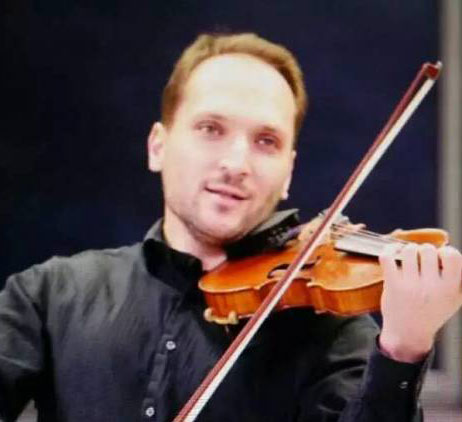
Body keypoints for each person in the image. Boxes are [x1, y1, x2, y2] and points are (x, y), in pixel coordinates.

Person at [1, 33, 461, 422]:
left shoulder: (333, 332)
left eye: (266, 141)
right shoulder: (49, 296)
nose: (237, 163)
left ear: (288, 172)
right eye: (211, 128)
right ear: (158, 146)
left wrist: (403, 349)